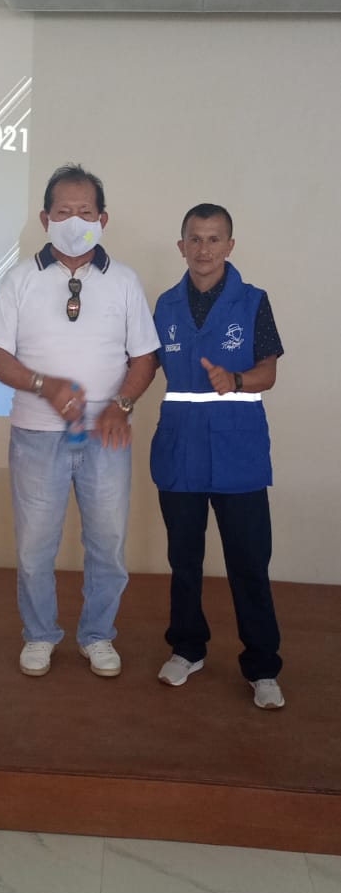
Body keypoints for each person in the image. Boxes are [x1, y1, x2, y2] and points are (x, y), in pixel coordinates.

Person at [0, 163, 159, 678]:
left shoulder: (124, 280)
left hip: (106, 434)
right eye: (64, 212)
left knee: (107, 544)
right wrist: (45, 385)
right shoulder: (20, 279)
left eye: (85, 212)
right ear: (45, 218)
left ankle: (98, 635)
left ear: (103, 219)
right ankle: (39, 635)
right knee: (34, 546)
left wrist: (120, 405)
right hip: (36, 433)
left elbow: (145, 358)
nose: (75, 221)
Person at [150, 202, 285, 710]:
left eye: (213, 239)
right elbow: (141, 365)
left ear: (230, 245)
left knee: (249, 563)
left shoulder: (253, 302)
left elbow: (269, 371)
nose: (203, 249)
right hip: (180, 451)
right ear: (181, 245)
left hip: (237, 453)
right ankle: (187, 648)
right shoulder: (165, 306)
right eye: (195, 238)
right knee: (184, 560)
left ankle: (263, 667)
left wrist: (237, 380)